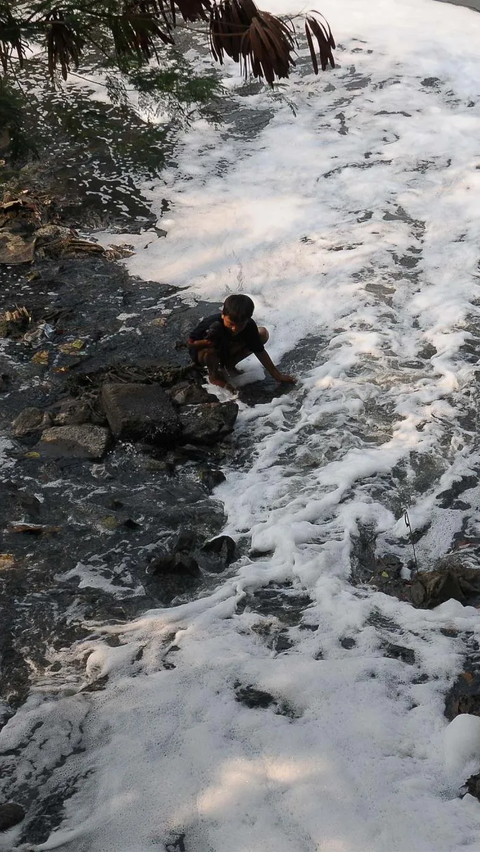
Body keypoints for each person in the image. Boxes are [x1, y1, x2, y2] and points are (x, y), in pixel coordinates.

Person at [187, 294, 296, 392]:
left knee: (262, 333)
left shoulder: (249, 326)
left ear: (248, 320)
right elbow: (190, 343)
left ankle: (229, 364)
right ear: (223, 315)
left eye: (240, 325)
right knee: (210, 350)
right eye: (231, 324)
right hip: (205, 354)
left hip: (226, 350)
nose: (234, 329)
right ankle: (214, 376)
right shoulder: (211, 323)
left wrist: (277, 375)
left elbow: (259, 350)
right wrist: (206, 343)